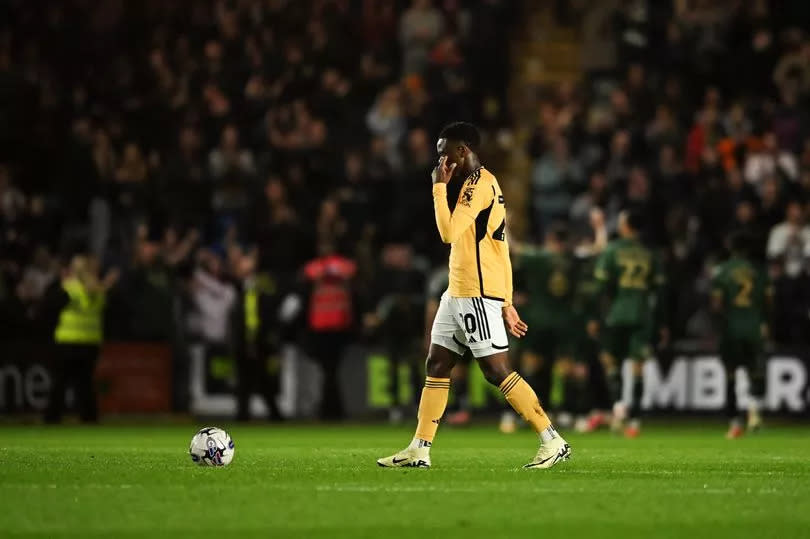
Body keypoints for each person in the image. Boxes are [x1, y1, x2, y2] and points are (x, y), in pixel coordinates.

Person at [377, 122, 570, 469]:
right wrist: (508, 300)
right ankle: (420, 448)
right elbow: (501, 248)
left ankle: (551, 439)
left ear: (462, 150)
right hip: (459, 290)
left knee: (496, 371)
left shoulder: (476, 186)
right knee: (437, 363)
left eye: (443, 152)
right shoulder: (480, 183)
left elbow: (449, 232)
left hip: (476, 294)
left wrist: (438, 188)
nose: (439, 159)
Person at [593, 209, 667, 438]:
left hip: (617, 313)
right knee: (638, 367)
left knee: (609, 359)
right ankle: (634, 421)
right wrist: (662, 323)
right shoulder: (650, 254)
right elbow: (659, 291)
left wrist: (596, 317)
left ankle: (618, 408)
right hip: (642, 315)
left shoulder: (613, 250)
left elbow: (601, 286)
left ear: (626, 226)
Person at [500, 223, 576, 434]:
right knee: (560, 367)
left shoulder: (540, 257)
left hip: (537, 321)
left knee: (531, 367)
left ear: (550, 239)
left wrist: (505, 225)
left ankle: (524, 413)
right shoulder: (571, 259)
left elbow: (513, 247)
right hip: (563, 323)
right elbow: (597, 248)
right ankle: (561, 412)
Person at [711, 232, 771, 439]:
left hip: (731, 329)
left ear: (730, 247)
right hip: (754, 328)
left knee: (730, 376)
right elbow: (769, 301)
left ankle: (735, 423)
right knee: (755, 371)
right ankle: (754, 412)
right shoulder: (760, 271)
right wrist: (763, 321)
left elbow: (717, 304)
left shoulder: (722, 271)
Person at [43, 255, 117, 423]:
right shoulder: (99, 291)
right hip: (90, 343)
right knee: (85, 384)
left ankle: (52, 418)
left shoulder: (69, 288)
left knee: (60, 383)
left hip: (67, 342)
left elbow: (48, 308)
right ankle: (89, 419)